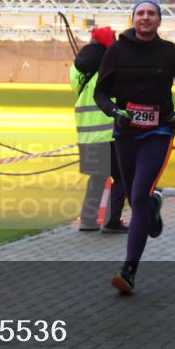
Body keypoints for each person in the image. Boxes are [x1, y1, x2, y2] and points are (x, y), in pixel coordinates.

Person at [94, 0, 175, 294]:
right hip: (126, 133)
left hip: (159, 131)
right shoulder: (116, 51)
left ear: (159, 20)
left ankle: (129, 271)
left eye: (151, 13)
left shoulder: (170, 52)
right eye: (141, 13)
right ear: (133, 19)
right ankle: (153, 205)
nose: (145, 18)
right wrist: (114, 112)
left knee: (137, 195)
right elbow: (101, 92)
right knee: (134, 195)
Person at [70, 26, 127, 233]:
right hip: (109, 132)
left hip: (86, 133)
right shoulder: (112, 65)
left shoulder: (76, 68)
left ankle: (88, 220)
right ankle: (112, 221)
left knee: (97, 177)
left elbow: (76, 89)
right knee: (122, 176)